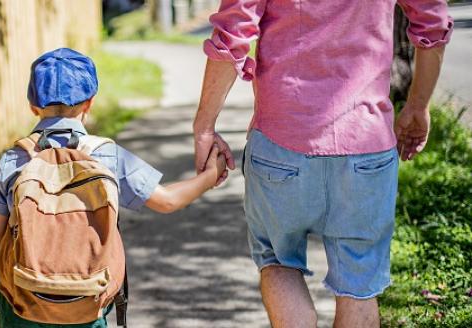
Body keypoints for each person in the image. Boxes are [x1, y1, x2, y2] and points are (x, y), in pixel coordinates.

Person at [193, 1, 452, 327]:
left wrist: (204, 126)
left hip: (280, 145)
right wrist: (417, 106)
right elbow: (433, 20)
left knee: (278, 262)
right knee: (359, 284)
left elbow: (233, 30)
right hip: (366, 145)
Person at [0, 47, 227, 328]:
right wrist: (210, 176)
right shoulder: (106, 156)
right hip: (87, 300)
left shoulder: (15, 159)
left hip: (22, 304)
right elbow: (167, 201)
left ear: (32, 106)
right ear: (89, 103)